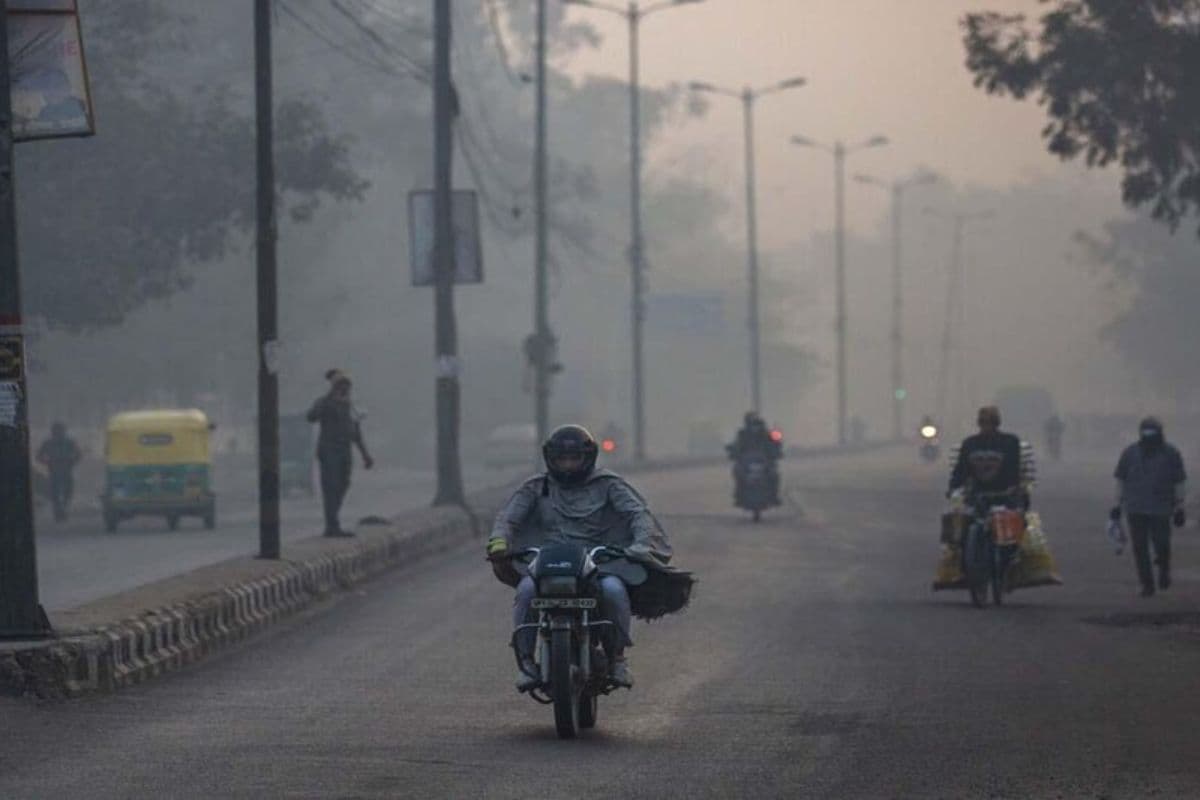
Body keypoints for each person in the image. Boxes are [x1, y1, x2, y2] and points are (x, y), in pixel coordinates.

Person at [486, 424, 673, 692]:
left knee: (614, 590)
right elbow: (508, 518)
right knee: (527, 590)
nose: (568, 466)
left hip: (600, 562)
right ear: (550, 458)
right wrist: (498, 542)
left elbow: (638, 515)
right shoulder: (536, 487)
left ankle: (618, 658)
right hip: (547, 564)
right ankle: (526, 662)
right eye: (562, 459)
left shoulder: (609, 484)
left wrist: (641, 544)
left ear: (589, 458)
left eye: (574, 459)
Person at [1111, 417, 1186, 597]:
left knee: (1162, 543)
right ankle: (1147, 584)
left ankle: (1164, 569)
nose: (1149, 435)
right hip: (1135, 507)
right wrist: (1117, 503)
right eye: (1146, 431)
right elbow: (1121, 479)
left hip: (1161, 507)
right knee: (1139, 547)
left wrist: (1179, 506)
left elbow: (1179, 481)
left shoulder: (1171, 453)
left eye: (1152, 431)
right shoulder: (1130, 453)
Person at [306, 370, 373, 537]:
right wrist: (326, 400)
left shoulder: (351, 406)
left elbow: (356, 433)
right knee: (331, 487)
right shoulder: (325, 403)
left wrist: (365, 455)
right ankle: (332, 525)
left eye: (347, 386)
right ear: (335, 387)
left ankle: (333, 520)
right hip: (329, 451)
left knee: (343, 484)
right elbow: (311, 417)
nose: (345, 389)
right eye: (341, 386)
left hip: (344, 451)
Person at [948, 406, 1026, 508]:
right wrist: (954, 489)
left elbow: (1014, 470)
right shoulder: (970, 444)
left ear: (997, 423)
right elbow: (961, 471)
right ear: (979, 423)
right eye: (983, 422)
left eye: (991, 422)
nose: (987, 425)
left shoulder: (1009, 442)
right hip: (975, 499)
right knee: (955, 519)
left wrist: (1016, 491)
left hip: (1005, 499)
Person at [727, 411, 783, 503]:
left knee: (774, 474)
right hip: (746, 462)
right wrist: (733, 452)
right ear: (747, 424)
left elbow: (775, 444)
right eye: (752, 424)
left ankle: (774, 495)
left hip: (764, 461)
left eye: (756, 424)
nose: (754, 427)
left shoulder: (766, 434)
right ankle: (739, 494)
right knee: (737, 472)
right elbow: (736, 446)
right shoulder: (742, 434)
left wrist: (776, 451)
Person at [37, 421, 82, 522]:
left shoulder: (69, 442)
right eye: (57, 431)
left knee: (66, 492)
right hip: (55, 471)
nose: (59, 433)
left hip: (65, 470)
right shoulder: (48, 443)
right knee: (56, 494)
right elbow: (39, 456)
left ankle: (62, 510)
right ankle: (59, 511)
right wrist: (47, 462)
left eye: (60, 431)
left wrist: (71, 462)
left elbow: (78, 455)